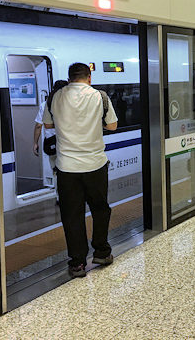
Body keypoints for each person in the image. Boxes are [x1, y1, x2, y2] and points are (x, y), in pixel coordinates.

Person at [43, 63, 118, 278]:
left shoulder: (55, 97)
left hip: (67, 167)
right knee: (100, 209)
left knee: (72, 215)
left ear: (69, 78)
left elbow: (48, 126)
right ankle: (102, 252)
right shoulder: (99, 96)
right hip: (95, 165)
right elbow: (112, 125)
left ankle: (77, 263)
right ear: (89, 77)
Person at [33, 80, 68, 203]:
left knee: (56, 171)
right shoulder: (70, 104)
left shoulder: (45, 105)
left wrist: (35, 143)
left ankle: (59, 197)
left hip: (52, 144)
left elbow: (38, 126)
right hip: (68, 143)